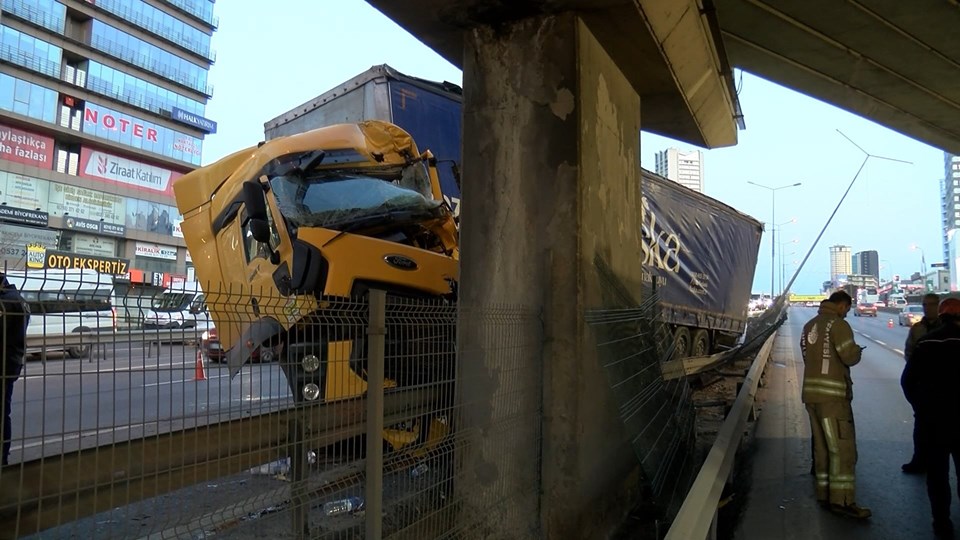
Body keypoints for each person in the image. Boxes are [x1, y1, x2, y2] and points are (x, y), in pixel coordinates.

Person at [800, 290, 871, 519]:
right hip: (833, 399)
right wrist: (857, 351)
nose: (847, 313)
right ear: (841, 305)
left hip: (811, 396)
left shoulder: (809, 325)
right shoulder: (838, 325)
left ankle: (823, 494)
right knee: (841, 449)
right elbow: (849, 357)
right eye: (847, 309)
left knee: (821, 448)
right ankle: (842, 501)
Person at [902, 297, 960, 538]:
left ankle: (942, 523)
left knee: (937, 474)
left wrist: (921, 406)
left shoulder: (926, 342)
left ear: (941, 315)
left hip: (934, 420)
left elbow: (907, 381)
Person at [901, 292, 942, 474]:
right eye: (925, 304)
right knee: (921, 426)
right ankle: (919, 460)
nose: (928, 308)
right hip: (924, 386)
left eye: (932, 304)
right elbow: (909, 353)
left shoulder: (948, 327)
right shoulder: (917, 329)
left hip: (944, 386)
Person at [0, 273, 28, 466]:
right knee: (3, 411)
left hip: (4, 363)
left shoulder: (6, 303)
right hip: (11, 362)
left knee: (2, 413)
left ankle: (2, 457)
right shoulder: (18, 299)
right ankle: (3, 456)